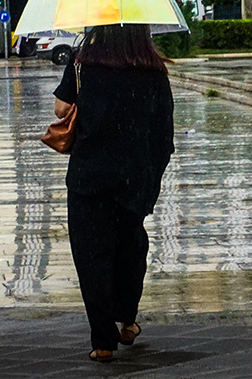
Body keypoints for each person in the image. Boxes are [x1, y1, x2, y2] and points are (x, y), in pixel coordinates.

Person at [52, 24, 175, 362]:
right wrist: (151, 177)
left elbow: (61, 111)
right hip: (133, 178)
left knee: (91, 257)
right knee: (130, 250)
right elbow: (163, 134)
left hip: (87, 178)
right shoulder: (153, 73)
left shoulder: (81, 65)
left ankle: (102, 341)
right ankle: (128, 319)